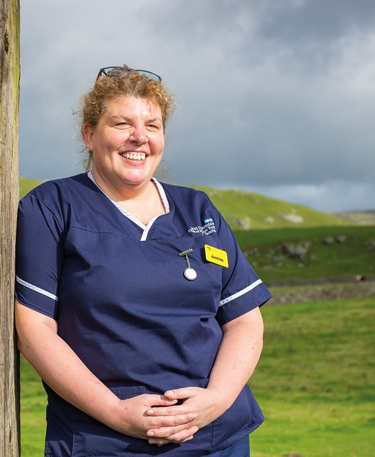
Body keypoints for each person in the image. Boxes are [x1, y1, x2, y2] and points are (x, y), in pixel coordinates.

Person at [15, 65, 271, 456]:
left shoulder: (197, 209)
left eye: (152, 125)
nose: (139, 137)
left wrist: (215, 401)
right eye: (122, 123)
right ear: (89, 134)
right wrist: (117, 414)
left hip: (216, 438)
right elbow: (33, 329)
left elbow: (244, 320)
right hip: (102, 440)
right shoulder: (52, 208)